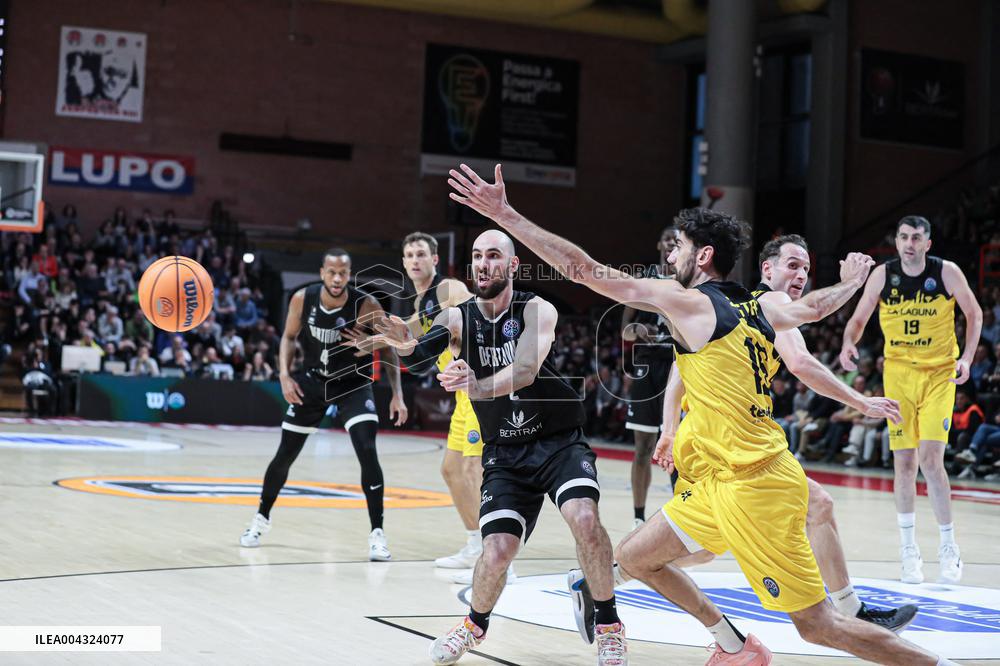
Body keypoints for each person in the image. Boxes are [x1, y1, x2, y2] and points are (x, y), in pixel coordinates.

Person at [447, 163, 959, 666]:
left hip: (754, 483)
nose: (671, 255)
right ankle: (734, 645)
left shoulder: (687, 302)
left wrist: (507, 215)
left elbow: (584, 271)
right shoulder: (759, 305)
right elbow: (812, 310)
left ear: (704, 255)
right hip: (718, 478)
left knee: (816, 625)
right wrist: (850, 284)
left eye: (679, 247)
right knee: (635, 556)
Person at [372, 229, 626, 665]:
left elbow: (526, 369)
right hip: (506, 452)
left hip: (557, 442)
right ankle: (473, 625)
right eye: (477, 256)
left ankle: (609, 626)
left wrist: (477, 386)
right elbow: (419, 354)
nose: (484, 264)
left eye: (493, 255)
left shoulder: (536, 308)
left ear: (512, 265)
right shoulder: (457, 317)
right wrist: (403, 341)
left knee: (584, 518)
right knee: (497, 551)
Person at [239, 248, 408, 562]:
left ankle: (377, 534)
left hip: (353, 384)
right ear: (322, 273)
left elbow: (388, 348)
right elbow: (288, 337)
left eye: (343, 273)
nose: (337, 278)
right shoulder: (302, 299)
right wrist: (284, 376)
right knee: (285, 455)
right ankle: (260, 519)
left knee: (367, 450)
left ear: (349, 274)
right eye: (332, 272)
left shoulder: (366, 304)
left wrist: (397, 393)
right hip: (314, 383)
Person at [840, 215, 983, 584]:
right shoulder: (883, 275)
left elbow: (974, 313)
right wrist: (848, 343)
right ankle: (908, 550)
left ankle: (948, 547)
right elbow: (858, 319)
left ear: (927, 243)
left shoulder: (946, 272)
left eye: (916, 238)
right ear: (897, 241)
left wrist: (967, 358)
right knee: (903, 464)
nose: (909, 243)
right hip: (899, 376)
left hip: (939, 374)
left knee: (931, 461)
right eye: (903, 237)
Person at [395, 232, 497, 577]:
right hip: (461, 396)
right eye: (410, 255)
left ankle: (498, 557)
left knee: (474, 469)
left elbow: (479, 317)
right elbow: (416, 358)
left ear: (435, 259)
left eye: (421, 254)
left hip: (480, 388)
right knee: (451, 470)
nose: (415, 260)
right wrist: (393, 339)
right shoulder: (418, 307)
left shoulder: (448, 289)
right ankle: (475, 545)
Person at [620, 226, 677, 529]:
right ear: (659, 244)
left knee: (678, 445)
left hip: (677, 367)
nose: (671, 244)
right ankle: (638, 518)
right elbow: (625, 330)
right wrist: (640, 331)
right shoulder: (643, 281)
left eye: (677, 241)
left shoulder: (688, 282)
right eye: (667, 239)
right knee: (643, 447)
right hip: (646, 368)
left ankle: (681, 515)